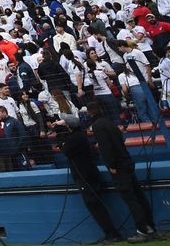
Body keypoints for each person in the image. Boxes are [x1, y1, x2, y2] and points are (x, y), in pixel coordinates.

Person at [87, 101, 156, 242]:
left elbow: (106, 147)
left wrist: (111, 164)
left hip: (118, 166)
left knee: (131, 199)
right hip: (126, 161)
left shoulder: (98, 126)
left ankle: (142, 230)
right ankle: (149, 225)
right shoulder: (109, 122)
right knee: (138, 195)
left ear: (90, 112)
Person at [55, 114, 123, 243]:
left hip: (84, 176)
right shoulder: (80, 135)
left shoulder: (74, 138)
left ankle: (112, 234)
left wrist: (63, 144)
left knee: (94, 205)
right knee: (96, 204)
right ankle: (111, 233)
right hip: (89, 173)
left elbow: (66, 151)